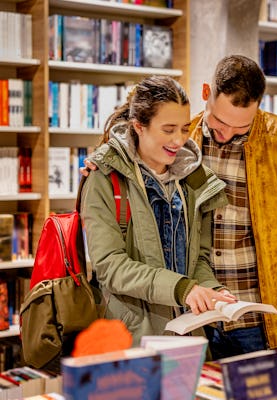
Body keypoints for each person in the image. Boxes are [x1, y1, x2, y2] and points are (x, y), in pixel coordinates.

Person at [83, 55, 277, 359]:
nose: (227, 134)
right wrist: (101, 163)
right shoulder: (182, 140)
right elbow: (129, 149)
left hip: (255, 321)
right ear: (206, 93)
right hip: (187, 321)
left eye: (241, 127)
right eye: (219, 122)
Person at [80, 75, 236, 345]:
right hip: (131, 339)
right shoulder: (105, 178)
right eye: (168, 129)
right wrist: (182, 289)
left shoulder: (194, 180)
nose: (179, 140)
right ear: (139, 126)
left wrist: (211, 290)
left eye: (185, 128)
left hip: (188, 336)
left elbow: (197, 260)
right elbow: (110, 267)